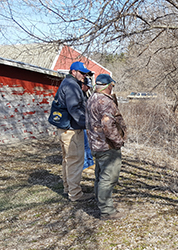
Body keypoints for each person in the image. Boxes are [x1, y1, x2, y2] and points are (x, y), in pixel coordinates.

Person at [86, 74, 127, 220]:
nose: (112, 88)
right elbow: (108, 125)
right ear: (108, 85)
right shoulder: (105, 101)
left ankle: (99, 201)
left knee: (100, 175)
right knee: (108, 178)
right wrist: (118, 141)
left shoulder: (92, 99)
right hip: (107, 145)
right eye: (112, 85)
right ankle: (107, 211)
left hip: (95, 144)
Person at [56, 61, 94, 202]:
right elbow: (74, 110)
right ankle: (75, 194)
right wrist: (89, 124)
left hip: (64, 129)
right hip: (71, 130)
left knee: (67, 160)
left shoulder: (67, 83)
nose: (84, 76)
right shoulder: (71, 86)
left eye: (85, 73)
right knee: (75, 162)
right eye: (82, 73)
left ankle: (68, 189)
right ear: (73, 72)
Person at [81, 77, 94, 169]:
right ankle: (85, 164)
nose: (88, 88)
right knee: (84, 145)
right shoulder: (78, 95)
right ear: (83, 85)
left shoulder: (86, 95)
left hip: (87, 124)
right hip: (81, 124)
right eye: (87, 86)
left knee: (88, 144)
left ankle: (90, 162)